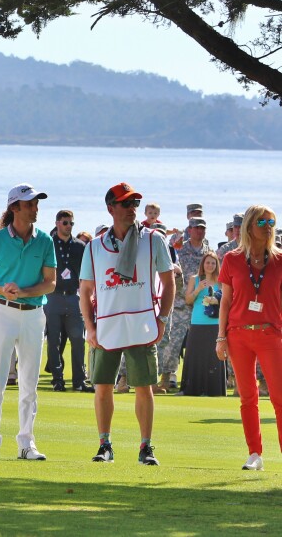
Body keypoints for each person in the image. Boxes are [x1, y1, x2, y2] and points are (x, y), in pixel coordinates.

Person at [80, 182, 175, 466]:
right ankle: (104, 444)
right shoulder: (95, 246)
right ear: (110, 208)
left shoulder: (153, 239)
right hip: (107, 326)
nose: (132, 209)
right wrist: (90, 327)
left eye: (134, 204)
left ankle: (146, 447)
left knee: (144, 386)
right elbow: (85, 290)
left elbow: (169, 282)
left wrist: (163, 319)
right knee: (103, 386)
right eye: (125, 204)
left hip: (142, 323)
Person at [0, 183, 56, 461]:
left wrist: (25, 292)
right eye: (30, 204)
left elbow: (50, 283)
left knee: (29, 384)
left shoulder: (45, 240)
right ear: (14, 208)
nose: (35, 208)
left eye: (36, 203)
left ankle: (26, 443)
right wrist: (1, 289)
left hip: (34, 315)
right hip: (2, 313)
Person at [216, 205, 282, 471]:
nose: (268, 226)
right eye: (262, 222)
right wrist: (221, 337)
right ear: (249, 225)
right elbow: (226, 302)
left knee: (279, 397)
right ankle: (255, 454)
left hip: (270, 334)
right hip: (238, 336)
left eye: (271, 221)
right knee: (247, 398)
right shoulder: (231, 259)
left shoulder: (279, 260)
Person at [158, 216, 210, 392]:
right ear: (190, 229)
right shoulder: (180, 248)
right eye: (196, 228)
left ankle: (201, 378)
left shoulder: (208, 250)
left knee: (201, 343)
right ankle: (167, 377)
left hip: (201, 304)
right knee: (173, 342)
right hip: (180, 303)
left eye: (202, 228)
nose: (200, 231)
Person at [46, 209, 92, 393]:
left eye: (71, 223)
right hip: (53, 296)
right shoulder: (49, 244)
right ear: (57, 223)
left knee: (78, 340)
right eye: (65, 222)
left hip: (73, 296)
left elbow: (87, 273)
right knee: (54, 341)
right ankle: (58, 379)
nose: (68, 226)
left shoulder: (80, 246)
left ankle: (79, 381)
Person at [181, 251, 226, 396]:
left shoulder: (220, 280)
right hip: (197, 321)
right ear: (203, 264)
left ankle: (213, 390)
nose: (210, 265)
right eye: (207, 262)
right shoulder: (194, 279)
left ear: (216, 265)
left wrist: (216, 300)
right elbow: (188, 300)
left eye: (213, 263)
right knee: (195, 355)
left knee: (213, 356)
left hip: (215, 323)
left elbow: (227, 300)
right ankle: (192, 389)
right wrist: (198, 289)